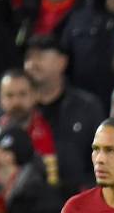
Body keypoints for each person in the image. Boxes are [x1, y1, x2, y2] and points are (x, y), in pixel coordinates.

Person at [21, 35, 107, 195]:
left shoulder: (87, 106)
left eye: (39, 57)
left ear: (62, 62)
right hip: (26, 200)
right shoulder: (14, 105)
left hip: (75, 198)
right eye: (28, 58)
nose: (31, 64)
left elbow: (104, 155)